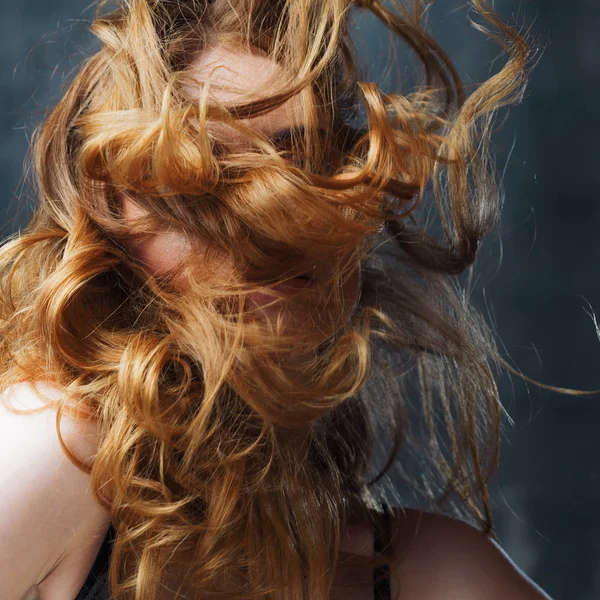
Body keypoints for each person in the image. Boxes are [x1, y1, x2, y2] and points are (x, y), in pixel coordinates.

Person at [0, 0, 555, 598]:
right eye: (202, 180)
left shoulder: (438, 576)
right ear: (110, 220)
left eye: (308, 164)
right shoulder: (58, 448)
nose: (270, 226)